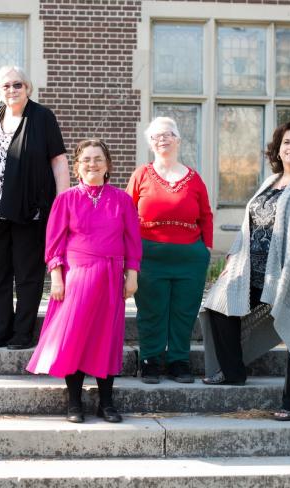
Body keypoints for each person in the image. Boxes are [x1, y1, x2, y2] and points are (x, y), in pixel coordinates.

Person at [27, 139, 141, 423]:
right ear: (77, 167)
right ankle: (75, 403)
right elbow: (54, 243)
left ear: (108, 165)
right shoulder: (65, 199)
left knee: (107, 337)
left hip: (111, 276)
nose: (93, 164)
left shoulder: (122, 200)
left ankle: (106, 403)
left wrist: (132, 275)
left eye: (98, 159)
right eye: (87, 159)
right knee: (75, 337)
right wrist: (56, 277)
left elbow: (132, 241)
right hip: (76, 276)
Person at [201, 120, 290, 421]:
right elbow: (248, 226)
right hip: (251, 268)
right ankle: (233, 372)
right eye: (287, 142)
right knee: (218, 306)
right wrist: (233, 258)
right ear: (278, 148)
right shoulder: (270, 182)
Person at [0, 65, 70, 350]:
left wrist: (63, 204)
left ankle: (22, 333)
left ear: (27, 87)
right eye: (6, 86)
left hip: (31, 210)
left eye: (17, 85)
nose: (12, 90)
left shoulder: (42, 117)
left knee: (27, 273)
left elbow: (58, 161)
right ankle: (0, 329)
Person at [126, 116, 213, 384]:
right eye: (156, 136)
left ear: (178, 139)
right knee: (151, 310)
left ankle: (179, 361)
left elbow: (206, 216)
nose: (162, 139)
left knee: (184, 311)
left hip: (190, 258)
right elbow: (127, 215)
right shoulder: (141, 174)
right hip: (150, 257)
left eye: (168, 134)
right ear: (150, 143)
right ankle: (150, 361)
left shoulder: (194, 178)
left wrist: (206, 250)